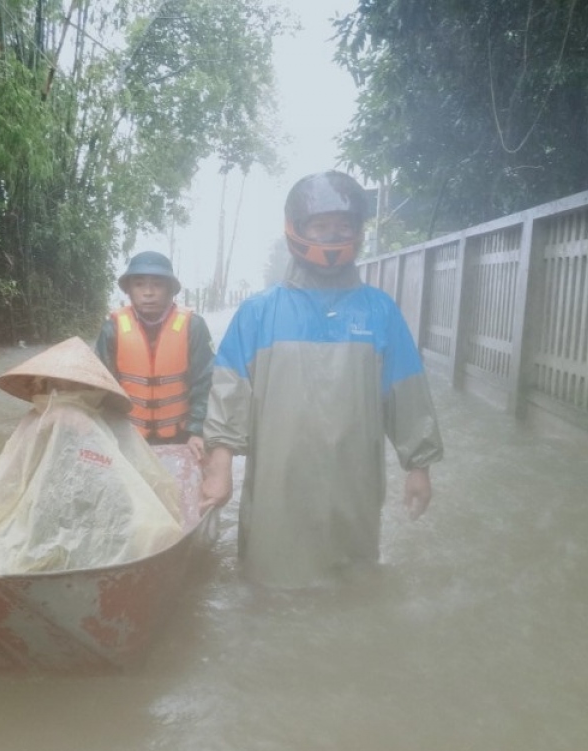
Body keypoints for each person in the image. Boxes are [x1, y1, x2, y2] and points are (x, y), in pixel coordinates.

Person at [197, 171, 443, 588]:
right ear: (297, 229)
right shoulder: (258, 313)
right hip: (279, 486)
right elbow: (228, 394)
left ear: (359, 232)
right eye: (321, 226)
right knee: (270, 586)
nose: (333, 237)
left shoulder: (380, 312)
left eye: (344, 226)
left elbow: (407, 393)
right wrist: (218, 467)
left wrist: (418, 466)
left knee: (354, 590)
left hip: (355, 486)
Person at [94, 251, 214, 462]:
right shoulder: (112, 328)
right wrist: (106, 434)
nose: (148, 292)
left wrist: (197, 431)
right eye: (139, 284)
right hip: (128, 435)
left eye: (157, 284)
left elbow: (206, 383)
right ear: (129, 290)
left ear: (171, 290)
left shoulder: (194, 326)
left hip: (180, 436)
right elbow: (100, 386)